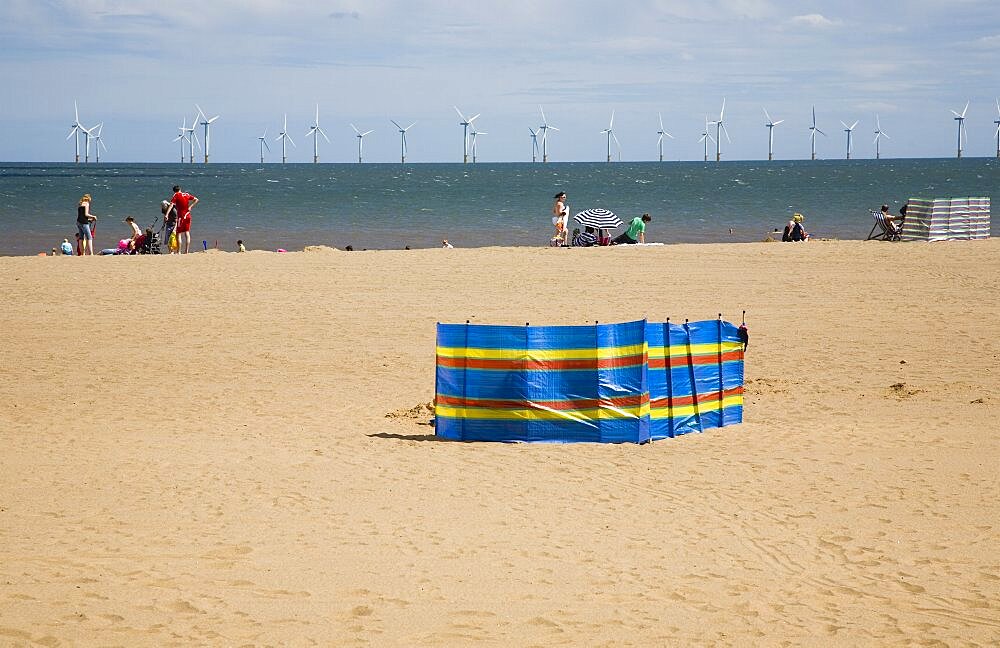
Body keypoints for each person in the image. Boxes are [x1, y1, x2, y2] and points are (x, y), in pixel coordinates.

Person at [169, 185, 199, 254]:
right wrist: (190, 206)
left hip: (181, 216)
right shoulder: (186, 194)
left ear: (174, 191)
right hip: (188, 215)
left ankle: (179, 251)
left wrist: (167, 214)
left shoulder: (176, 195)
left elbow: (171, 205)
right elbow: (196, 199)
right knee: (187, 233)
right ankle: (186, 251)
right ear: (180, 189)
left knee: (178, 233)